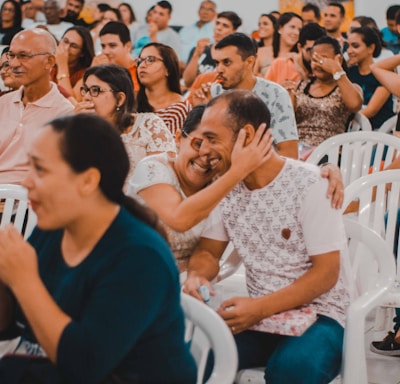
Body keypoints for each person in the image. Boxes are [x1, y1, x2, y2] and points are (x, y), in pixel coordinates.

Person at [0, 113, 197, 383]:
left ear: (88, 181)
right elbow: (12, 323)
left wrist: (24, 280)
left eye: (41, 170)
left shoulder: (139, 257)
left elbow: (84, 364)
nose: (26, 182)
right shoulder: (54, 227)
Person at [183, 89, 352, 384]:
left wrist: (258, 308)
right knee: (197, 357)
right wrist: (198, 276)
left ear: (246, 135)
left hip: (322, 315)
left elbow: (326, 274)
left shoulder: (311, 183)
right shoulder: (226, 187)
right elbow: (209, 252)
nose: (203, 149)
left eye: (212, 138)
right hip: (263, 317)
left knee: (291, 370)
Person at [128, 104, 273, 271]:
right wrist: (238, 171)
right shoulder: (152, 169)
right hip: (136, 269)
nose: (205, 156)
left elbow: (210, 254)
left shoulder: (223, 183)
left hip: (191, 281)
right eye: (198, 144)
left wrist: (198, 278)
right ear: (177, 139)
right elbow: (179, 219)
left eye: (216, 151)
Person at [191, 32, 299, 159]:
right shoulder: (213, 93)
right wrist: (203, 110)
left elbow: (289, 154)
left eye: (226, 62)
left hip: (261, 172)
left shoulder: (276, 94)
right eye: (217, 63)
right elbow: (200, 146)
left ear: (249, 62)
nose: (219, 69)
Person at [74, 64, 176, 183]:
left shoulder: (149, 125)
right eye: (85, 90)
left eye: (95, 90)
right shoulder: (84, 132)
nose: (86, 97)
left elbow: (164, 178)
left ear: (120, 99)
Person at [0, 28, 73, 185]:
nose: (13, 64)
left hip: (27, 203)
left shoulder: (65, 115)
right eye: (11, 56)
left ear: (49, 62)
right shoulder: (3, 104)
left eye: (23, 56)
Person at [294, 35, 363, 147]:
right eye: (315, 59)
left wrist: (336, 70)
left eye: (323, 59)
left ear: (338, 60)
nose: (318, 64)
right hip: (298, 150)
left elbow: (355, 104)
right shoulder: (301, 86)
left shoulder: (348, 87)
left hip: (330, 152)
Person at [136, 42, 191, 136]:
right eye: (139, 61)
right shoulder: (130, 101)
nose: (142, 65)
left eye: (150, 60)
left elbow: (172, 149)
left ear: (168, 69)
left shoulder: (178, 108)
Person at [347, 26, 395, 130]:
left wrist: (346, 120)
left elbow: (371, 110)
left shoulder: (383, 74)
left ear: (371, 48)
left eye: (355, 46)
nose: (349, 51)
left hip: (380, 133)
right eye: (348, 46)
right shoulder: (349, 73)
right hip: (353, 131)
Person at [182, 10, 242, 88]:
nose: (219, 28)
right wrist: (196, 54)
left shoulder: (234, 56)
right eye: (217, 23)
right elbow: (187, 82)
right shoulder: (200, 49)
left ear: (234, 31)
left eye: (225, 26)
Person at [265, 22, 326, 86]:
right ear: (299, 47)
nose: (314, 56)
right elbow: (263, 92)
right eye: (310, 51)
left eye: (319, 51)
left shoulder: (324, 71)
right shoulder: (280, 65)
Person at [92, 21, 139, 92]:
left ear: (128, 46)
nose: (105, 51)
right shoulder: (102, 68)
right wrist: (93, 71)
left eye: (112, 45)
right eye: (103, 46)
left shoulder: (140, 71)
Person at [52, 26, 94, 102]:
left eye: (74, 46)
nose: (66, 48)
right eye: (65, 41)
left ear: (82, 53)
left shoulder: (85, 74)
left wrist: (62, 66)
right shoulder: (48, 63)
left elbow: (70, 103)